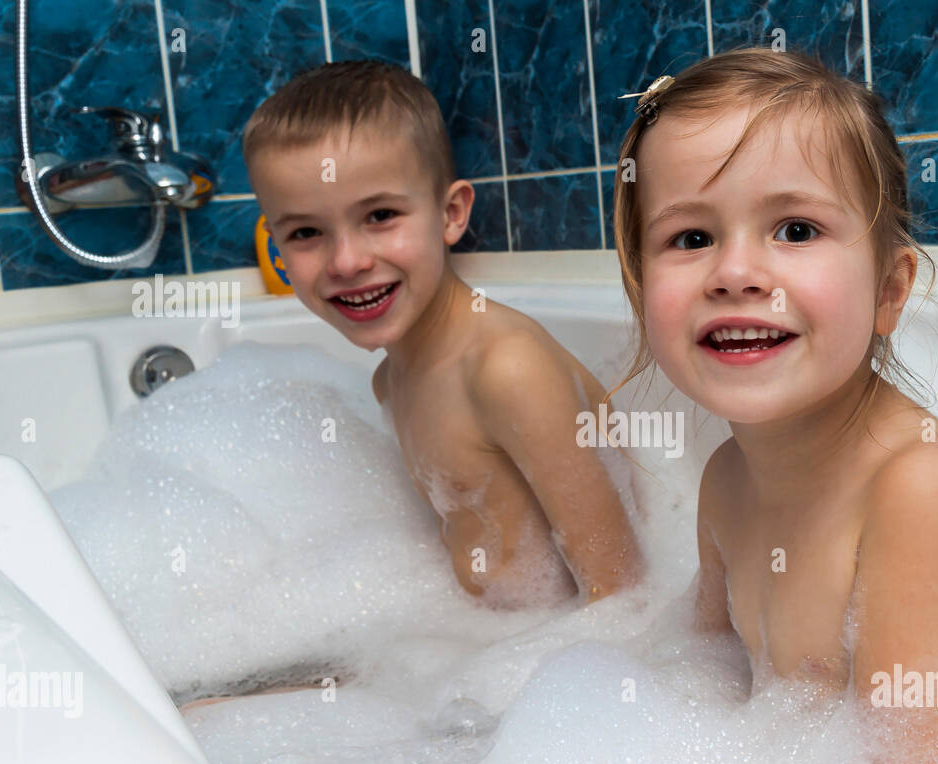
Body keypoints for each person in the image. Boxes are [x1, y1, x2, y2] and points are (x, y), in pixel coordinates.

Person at [612, 48, 938, 764]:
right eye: (690, 238)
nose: (735, 272)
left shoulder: (925, 490)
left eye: (794, 228)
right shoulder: (727, 480)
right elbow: (703, 673)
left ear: (890, 293)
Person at [243, 60, 643, 608]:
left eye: (380, 215)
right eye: (306, 232)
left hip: (556, 655)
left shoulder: (507, 369)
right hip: (480, 645)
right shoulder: (391, 379)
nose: (347, 260)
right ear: (276, 246)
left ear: (451, 213)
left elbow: (622, 590)